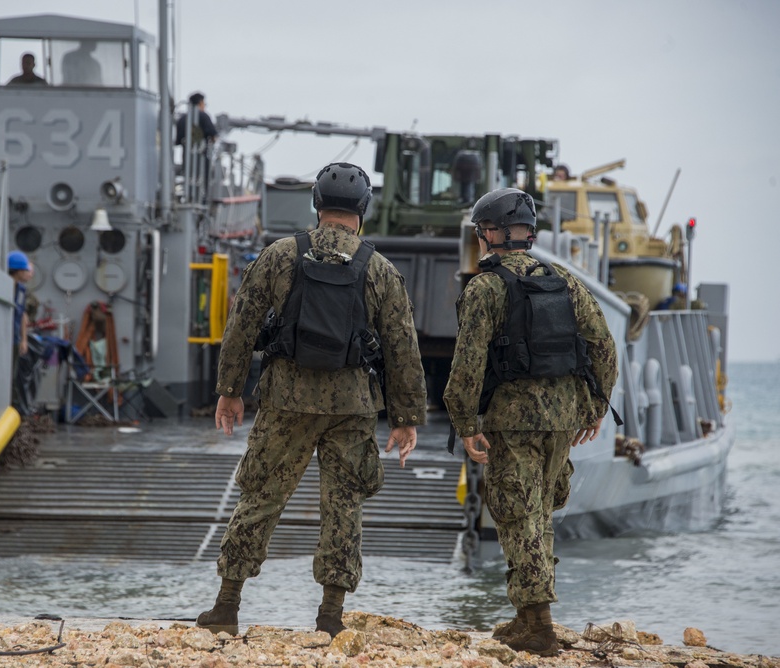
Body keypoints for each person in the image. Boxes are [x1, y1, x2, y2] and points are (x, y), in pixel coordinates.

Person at [196, 162, 427, 638]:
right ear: (363, 210)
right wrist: (405, 419)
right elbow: (403, 347)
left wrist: (229, 391)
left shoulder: (280, 255)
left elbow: (241, 326)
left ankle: (225, 609)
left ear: (316, 205)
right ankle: (330, 618)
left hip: (286, 401)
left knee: (260, 497)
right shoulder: (380, 269)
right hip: (352, 407)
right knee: (344, 507)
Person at [442, 188, 617, 656]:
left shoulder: (485, 287)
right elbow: (604, 347)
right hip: (564, 417)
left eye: (482, 232)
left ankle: (538, 627)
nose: (480, 240)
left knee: (517, 513)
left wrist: (464, 422)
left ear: (494, 235)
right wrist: (595, 408)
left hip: (512, 419)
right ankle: (528, 617)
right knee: (538, 511)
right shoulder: (564, 281)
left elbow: (467, 365)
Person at [9, 251, 35, 415]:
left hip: (14, 340)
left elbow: (22, 315)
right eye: (26, 270)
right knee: (9, 379)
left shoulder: (21, 290)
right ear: (18, 271)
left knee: (13, 376)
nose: (29, 273)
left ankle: (15, 411)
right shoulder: (2, 286)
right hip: (4, 339)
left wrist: (24, 340)